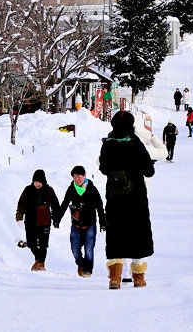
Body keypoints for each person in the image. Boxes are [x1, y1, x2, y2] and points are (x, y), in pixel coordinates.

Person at [99, 110, 155, 289]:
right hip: (136, 197)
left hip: (115, 197)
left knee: (115, 234)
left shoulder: (107, 144)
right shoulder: (135, 143)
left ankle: (115, 278)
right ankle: (138, 277)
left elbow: (104, 168)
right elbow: (149, 171)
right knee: (137, 233)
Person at [55, 165, 106, 277]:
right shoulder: (71, 189)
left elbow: (100, 206)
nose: (77, 179)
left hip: (90, 226)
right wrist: (57, 219)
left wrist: (103, 222)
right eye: (75, 177)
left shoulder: (92, 189)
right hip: (76, 226)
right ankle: (81, 264)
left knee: (88, 250)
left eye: (79, 177)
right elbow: (64, 204)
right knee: (74, 249)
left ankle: (88, 271)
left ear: (85, 175)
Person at [16, 169, 61, 271]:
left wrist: (56, 219)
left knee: (43, 244)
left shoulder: (49, 190)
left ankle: (41, 264)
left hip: (44, 222)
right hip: (30, 222)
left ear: (43, 181)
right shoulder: (28, 190)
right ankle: (38, 261)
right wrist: (19, 217)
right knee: (31, 244)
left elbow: (55, 206)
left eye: (40, 182)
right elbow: (21, 204)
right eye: (36, 182)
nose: (37, 184)